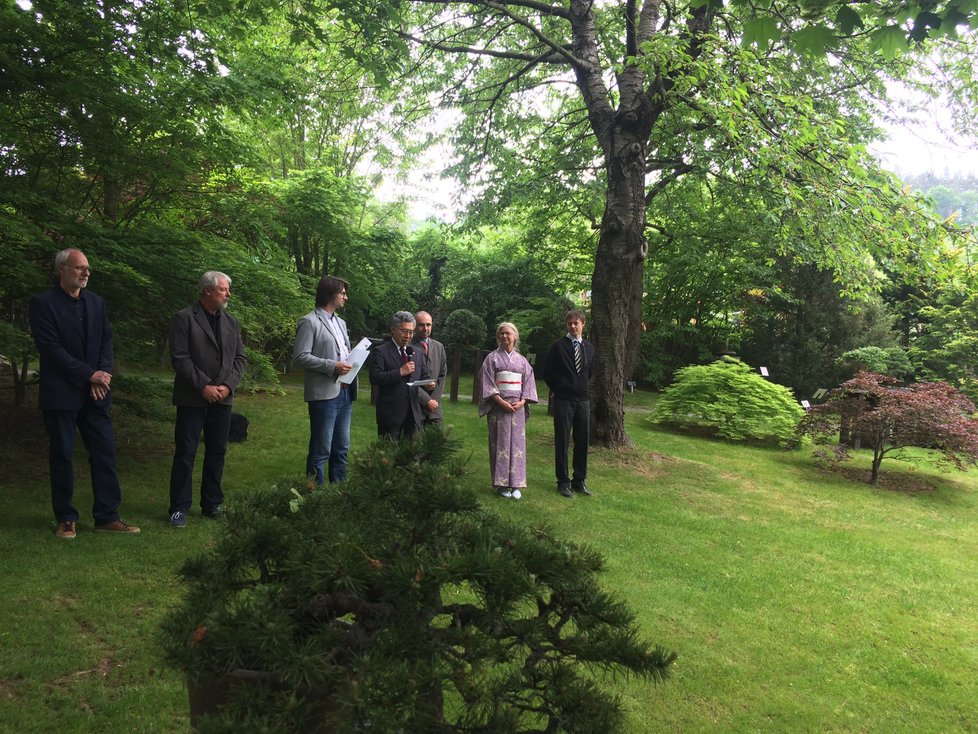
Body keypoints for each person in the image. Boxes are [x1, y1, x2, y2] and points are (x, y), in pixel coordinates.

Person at [28, 248, 140, 538]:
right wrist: (89, 374)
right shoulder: (43, 304)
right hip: (61, 394)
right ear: (62, 269)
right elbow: (51, 350)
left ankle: (107, 516)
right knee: (62, 455)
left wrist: (101, 376)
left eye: (88, 268)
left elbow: (106, 342)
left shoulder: (97, 303)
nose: (86, 272)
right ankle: (66, 518)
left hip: (96, 394)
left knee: (105, 453)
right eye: (79, 268)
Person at [167, 271, 246, 528]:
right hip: (192, 398)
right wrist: (204, 386)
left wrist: (227, 386)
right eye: (223, 289)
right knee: (186, 452)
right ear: (207, 291)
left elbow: (239, 360)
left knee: (217, 451)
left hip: (223, 399)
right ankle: (179, 508)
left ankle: (212, 503)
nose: (228, 294)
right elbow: (180, 358)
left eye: (227, 289)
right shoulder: (184, 318)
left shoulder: (231, 323)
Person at [292, 275, 356, 484]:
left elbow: (342, 352)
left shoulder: (341, 322)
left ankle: (338, 493)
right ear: (330, 294)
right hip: (324, 394)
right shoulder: (309, 321)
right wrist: (333, 366)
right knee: (321, 449)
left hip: (345, 391)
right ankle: (314, 497)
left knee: (341, 448)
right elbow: (300, 357)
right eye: (343, 293)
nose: (345, 297)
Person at [478, 322, 538, 499]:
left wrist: (523, 401)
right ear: (498, 337)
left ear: (515, 337)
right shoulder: (491, 358)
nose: (505, 336)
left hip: (517, 408)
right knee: (500, 443)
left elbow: (529, 382)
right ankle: (501, 484)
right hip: (498, 406)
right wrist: (498, 400)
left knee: (517, 445)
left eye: (508, 334)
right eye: (502, 333)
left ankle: (516, 484)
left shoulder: (522, 361)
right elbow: (486, 382)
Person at [542, 309, 595, 498]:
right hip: (564, 400)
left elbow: (589, 372)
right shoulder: (558, 346)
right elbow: (547, 372)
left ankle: (579, 480)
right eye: (570, 323)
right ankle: (563, 482)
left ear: (583, 324)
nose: (573, 326)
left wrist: (579, 388)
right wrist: (560, 388)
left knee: (582, 440)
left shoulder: (589, 348)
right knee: (563, 440)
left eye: (576, 323)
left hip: (583, 401)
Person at [369, 311, 434, 440]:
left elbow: (424, 375)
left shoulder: (417, 352)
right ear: (393, 329)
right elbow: (375, 378)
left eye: (411, 332)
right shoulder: (381, 351)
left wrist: (429, 383)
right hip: (390, 415)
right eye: (404, 331)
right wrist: (399, 372)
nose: (408, 336)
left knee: (410, 456)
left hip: (413, 415)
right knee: (388, 456)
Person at [412, 310, 447, 427]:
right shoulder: (407, 347)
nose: (425, 328)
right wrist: (426, 400)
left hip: (435, 409)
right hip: (414, 406)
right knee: (415, 443)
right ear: (414, 326)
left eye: (428, 324)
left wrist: (433, 400)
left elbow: (442, 375)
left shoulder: (439, 347)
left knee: (437, 442)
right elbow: (407, 380)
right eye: (421, 325)